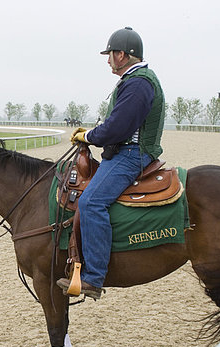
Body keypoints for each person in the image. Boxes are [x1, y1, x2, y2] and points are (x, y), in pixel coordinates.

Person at [59, 27, 165, 299]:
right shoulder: (134, 80)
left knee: (91, 202)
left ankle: (94, 278)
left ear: (122, 55)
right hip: (124, 151)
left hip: (131, 154)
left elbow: (118, 128)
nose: (108, 60)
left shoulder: (139, 82)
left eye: (110, 55)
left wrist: (90, 136)